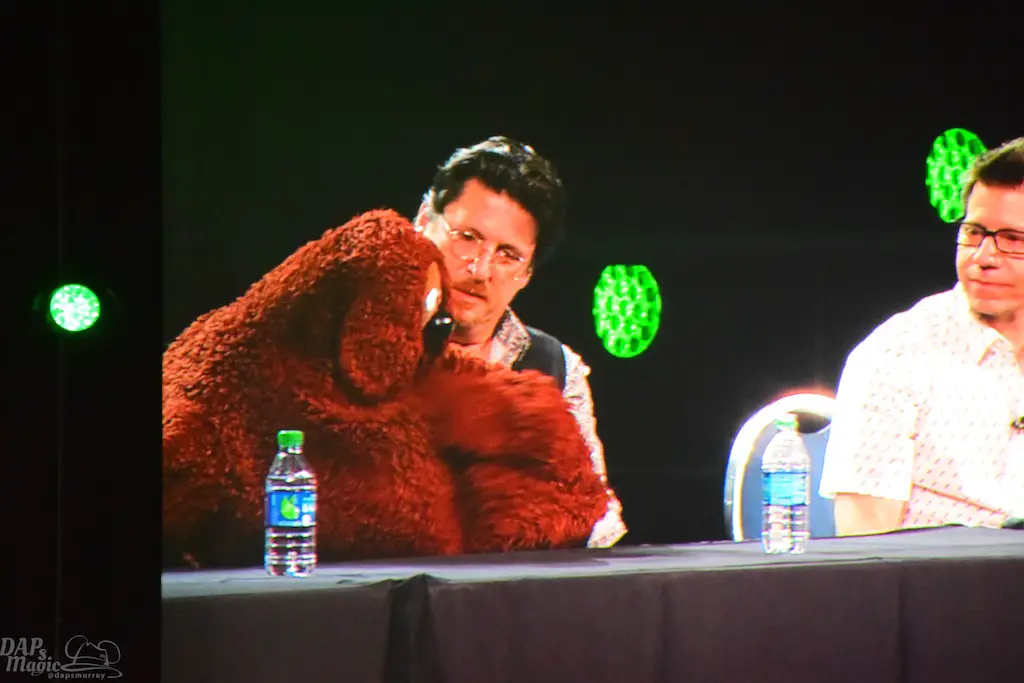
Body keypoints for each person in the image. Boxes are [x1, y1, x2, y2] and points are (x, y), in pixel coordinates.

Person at [412, 136, 627, 548]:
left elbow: (597, 524)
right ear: (423, 220)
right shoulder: (362, 342)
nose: (480, 270)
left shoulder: (555, 367)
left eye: (508, 255)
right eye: (467, 237)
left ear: (527, 275)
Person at [819, 136, 1024, 535]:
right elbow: (865, 548)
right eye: (974, 232)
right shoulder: (896, 356)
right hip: (942, 573)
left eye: (1012, 240)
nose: (983, 257)